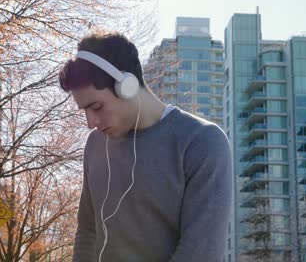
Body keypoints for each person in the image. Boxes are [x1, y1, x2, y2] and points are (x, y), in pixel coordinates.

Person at [58, 31, 232, 262]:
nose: (91, 123)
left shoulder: (202, 141)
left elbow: (200, 253)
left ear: (126, 86)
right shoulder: (95, 145)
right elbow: (87, 233)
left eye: (97, 107)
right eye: (85, 111)